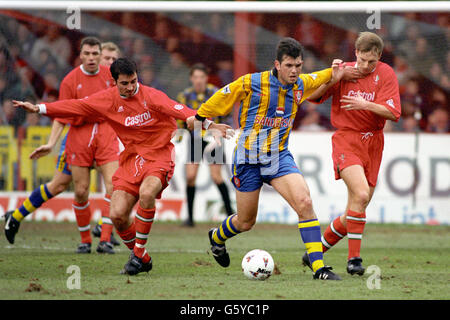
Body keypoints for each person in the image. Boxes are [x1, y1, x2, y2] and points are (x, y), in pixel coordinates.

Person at [13, 57, 232, 275]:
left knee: (147, 194)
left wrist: (210, 124)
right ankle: (142, 258)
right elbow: (77, 106)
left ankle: (137, 255)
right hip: (131, 159)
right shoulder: (106, 100)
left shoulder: (151, 95)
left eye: (133, 81)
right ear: (114, 82)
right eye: (124, 83)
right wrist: (40, 108)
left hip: (159, 156)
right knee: (117, 215)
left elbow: (182, 110)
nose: (130, 87)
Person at [187, 37, 359, 280]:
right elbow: (202, 113)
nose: (295, 71)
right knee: (246, 222)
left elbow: (324, 76)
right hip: (247, 159)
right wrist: (209, 126)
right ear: (277, 64)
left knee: (305, 201)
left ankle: (319, 267)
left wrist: (340, 72)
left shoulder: (301, 83)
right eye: (289, 65)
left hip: (278, 157)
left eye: (298, 65)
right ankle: (216, 237)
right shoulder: (251, 83)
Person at [4, 37, 120, 255]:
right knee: (68, 187)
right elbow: (62, 112)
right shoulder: (70, 80)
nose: (94, 58)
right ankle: (18, 215)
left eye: (99, 55)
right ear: (81, 54)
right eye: (90, 54)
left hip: (105, 134)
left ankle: (105, 238)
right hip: (77, 137)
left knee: (113, 186)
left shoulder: (112, 76)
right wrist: (51, 143)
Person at [305, 32, 401, 275]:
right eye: (362, 60)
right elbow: (310, 96)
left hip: (374, 142)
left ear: (379, 56)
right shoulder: (343, 70)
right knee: (359, 193)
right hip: (347, 139)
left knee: (356, 207)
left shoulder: (386, 73)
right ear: (355, 53)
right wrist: (333, 78)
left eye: (372, 61)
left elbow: (394, 113)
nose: (366, 66)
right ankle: (354, 260)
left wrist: (366, 104)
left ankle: (314, 252)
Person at [177, 63, 233, 227]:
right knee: (190, 177)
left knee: (216, 177)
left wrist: (220, 133)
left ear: (206, 78)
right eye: (195, 77)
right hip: (194, 140)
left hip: (213, 140)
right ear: (191, 79)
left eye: (201, 77)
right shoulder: (185, 96)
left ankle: (230, 215)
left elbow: (226, 114)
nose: (199, 80)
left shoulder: (215, 93)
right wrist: (181, 136)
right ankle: (190, 218)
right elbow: (180, 120)